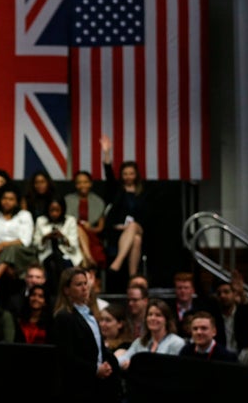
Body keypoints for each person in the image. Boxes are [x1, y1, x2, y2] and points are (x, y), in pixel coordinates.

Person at [49, 266, 122, 403]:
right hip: (77, 388)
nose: (84, 288)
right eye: (78, 284)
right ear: (66, 290)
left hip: (96, 385)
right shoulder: (64, 317)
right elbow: (67, 357)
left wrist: (108, 364)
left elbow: (98, 348)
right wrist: (95, 369)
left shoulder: (90, 313)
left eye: (85, 283)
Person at [100, 135, 147, 287]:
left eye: (131, 173)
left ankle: (117, 263)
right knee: (136, 240)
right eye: (125, 174)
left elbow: (146, 217)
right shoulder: (117, 190)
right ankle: (132, 278)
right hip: (118, 231)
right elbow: (108, 173)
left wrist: (131, 227)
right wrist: (107, 153)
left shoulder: (143, 192)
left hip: (137, 227)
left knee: (134, 228)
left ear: (136, 175)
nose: (128, 177)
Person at [0, 183, 34, 293]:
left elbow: (25, 241)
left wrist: (3, 245)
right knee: (6, 264)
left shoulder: (24, 215)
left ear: (17, 201)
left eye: (11, 199)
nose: (7, 202)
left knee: (11, 249)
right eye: (4, 198)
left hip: (23, 254)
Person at [32, 196, 85, 292]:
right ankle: (59, 292)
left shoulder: (70, 220)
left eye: (57, 210)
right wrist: (45, 238)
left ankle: (60, 292)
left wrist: (63, 237)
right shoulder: (41, 221)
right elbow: (36, 245)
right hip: (47, 255)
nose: (54, 213)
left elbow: (73, 246)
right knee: (52, 263)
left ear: (63, 210)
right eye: (51, 210)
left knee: (58, 263)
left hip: (67, 255)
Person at [117, 298, 186, 370]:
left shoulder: (176, 342)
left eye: (158, 315)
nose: (153, 318)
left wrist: (135, 365)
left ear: (166, 320)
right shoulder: (140, 342)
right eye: (150, 314)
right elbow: (123, 359)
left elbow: (172, 368)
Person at [64, 170, 107, 269]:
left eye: (85, 182)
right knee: (77, 227)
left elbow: (100, 228)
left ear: (90, 184)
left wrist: (90, 228)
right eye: (79, 182)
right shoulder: (68, 200)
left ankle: (86, 263)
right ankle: (88, 259)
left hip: (92, 236)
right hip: (71, 235)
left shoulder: (98, 202)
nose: (82, 185)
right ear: (75, 185)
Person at [211, 278, 248, 353]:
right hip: (222, 355)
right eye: (219, 293)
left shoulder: (243, 312)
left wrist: (242, 293)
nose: (222, 295)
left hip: (242, 354)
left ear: (234, 294)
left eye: (226, 292)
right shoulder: (214, 316)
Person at [168, 271, 215, 338]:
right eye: (179, 288)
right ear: (175, 290)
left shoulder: (203, 308)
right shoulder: (169, 309)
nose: (183, 291)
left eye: (186, 288)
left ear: (192, 290)